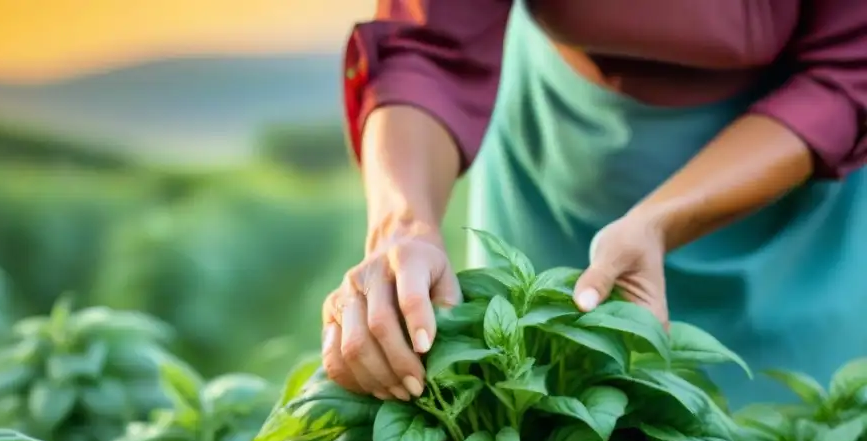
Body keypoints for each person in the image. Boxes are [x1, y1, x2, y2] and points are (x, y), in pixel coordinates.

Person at [321, 0, 867, 408]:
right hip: (557, 152)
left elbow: (848, 66)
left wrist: (658, 222)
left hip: (786, 175)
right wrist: (404, 226)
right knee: (537, 418)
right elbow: (427, 41)